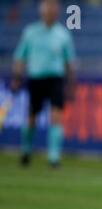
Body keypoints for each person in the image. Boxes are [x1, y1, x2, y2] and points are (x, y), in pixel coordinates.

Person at [11, 0, 76, 168]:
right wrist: (17, 76)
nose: (52, 10)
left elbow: (70, 62)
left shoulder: (63, 34)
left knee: (56, 117)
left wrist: (71, 84)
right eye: (48, 7)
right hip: (36, 78)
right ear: (42, 11)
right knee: (32, 117)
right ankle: (26, 151)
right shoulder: (30, 32)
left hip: (55, 79)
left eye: (54, 7)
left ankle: (53, 157)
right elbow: (20, 57)